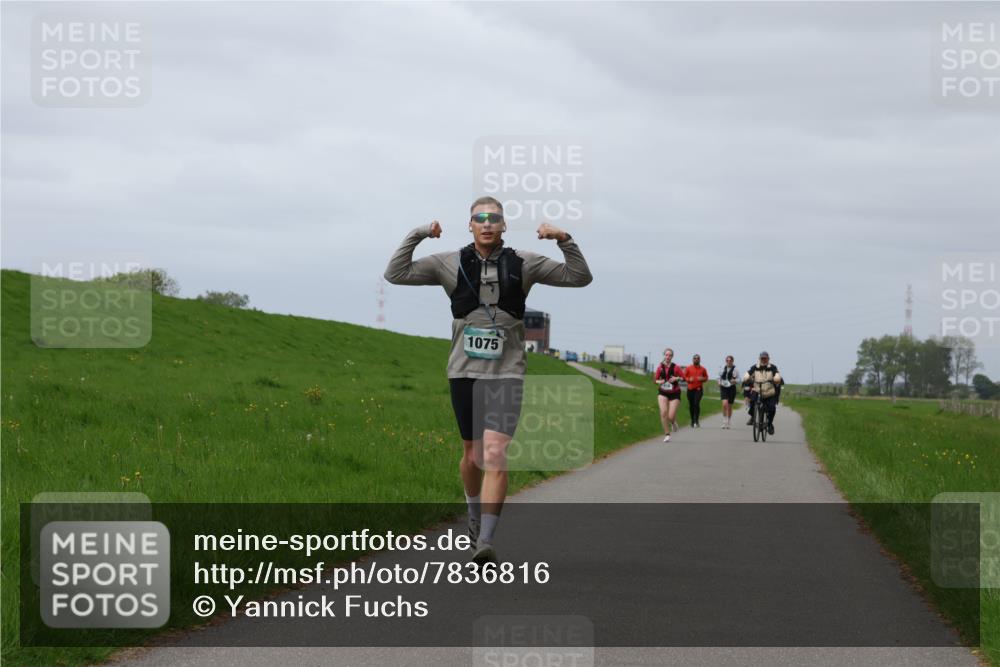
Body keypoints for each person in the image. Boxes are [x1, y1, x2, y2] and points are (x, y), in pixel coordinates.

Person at [384, 196, 592, 565]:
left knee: (495, 452)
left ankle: (485, 540)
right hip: (463, 371)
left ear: (503, 226)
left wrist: (564, 238)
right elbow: (395, 273)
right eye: (479, 218)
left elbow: (579, 277)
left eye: (494, 218)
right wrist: (419, 233)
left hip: (507, 372)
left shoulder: (525, 262)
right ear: (470, 224)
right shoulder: (448, 262)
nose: (487, 224)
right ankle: (474, 516)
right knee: (471, 455)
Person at [743, 351, 782, 435]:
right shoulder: (755, 367)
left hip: (769, 392)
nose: (763, 360)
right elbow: (748, 373)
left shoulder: (772, 367)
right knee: (752, 401)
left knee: (772, 408)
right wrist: (746, 377)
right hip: (757, 389)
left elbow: (777, 375)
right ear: (759, 358)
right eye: (762, 358)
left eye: (765, 358)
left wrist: (776, 378)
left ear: (768, 359)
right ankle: (753, 417)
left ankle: (770, 424)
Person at [654, 348, 684, 442]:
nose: (668, 357)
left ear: (672, 357)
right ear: (664, 355)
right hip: (663, 392)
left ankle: (673, 422)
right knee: (663, 413)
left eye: (670, 355)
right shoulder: (660, 367)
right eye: (666, 355)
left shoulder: (676, 367)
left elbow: (683, 378)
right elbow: (655, 380)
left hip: (674, 393)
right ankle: (667, 434)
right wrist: (660, 381)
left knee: (670, 416)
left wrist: (676, 378)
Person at [683, 354, 709, 427]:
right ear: (693, 360)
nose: (696, 359)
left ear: (700, 360)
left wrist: (702, 379)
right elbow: (684, 376)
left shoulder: (703, 369)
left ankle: (696, 420)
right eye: (695, 358)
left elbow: (706, 377)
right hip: (690, 389)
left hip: (699, 389)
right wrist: (688, 379)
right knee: (691, 405)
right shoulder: (688, 368)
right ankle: (692, 420)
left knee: (696, 404)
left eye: (697, 358)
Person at [718, 355, 738, 429]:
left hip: (731, 388)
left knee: (729, 406)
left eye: (730, 360)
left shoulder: (735, 369)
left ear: (732, 361)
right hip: (723, 387)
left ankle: (729, 421)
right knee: (724, 404)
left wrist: (735, 381)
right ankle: (724, 420)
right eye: (727, 360)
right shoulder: (722, 368)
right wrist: (718, 382)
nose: (728, 362)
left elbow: (739, 379)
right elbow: (718, 376)